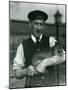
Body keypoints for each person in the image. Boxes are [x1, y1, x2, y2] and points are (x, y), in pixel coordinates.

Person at [13, 10, 65, 87]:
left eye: (41, 24)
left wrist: (44, 63)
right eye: (36, 24)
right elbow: (17, 74)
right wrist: (25, 71)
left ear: (44, 26)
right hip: (31, 86)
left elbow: (64, 56)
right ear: (30, 24)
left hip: (50, 85)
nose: (39, 28)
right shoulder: (22, 46)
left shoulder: (51, 41)